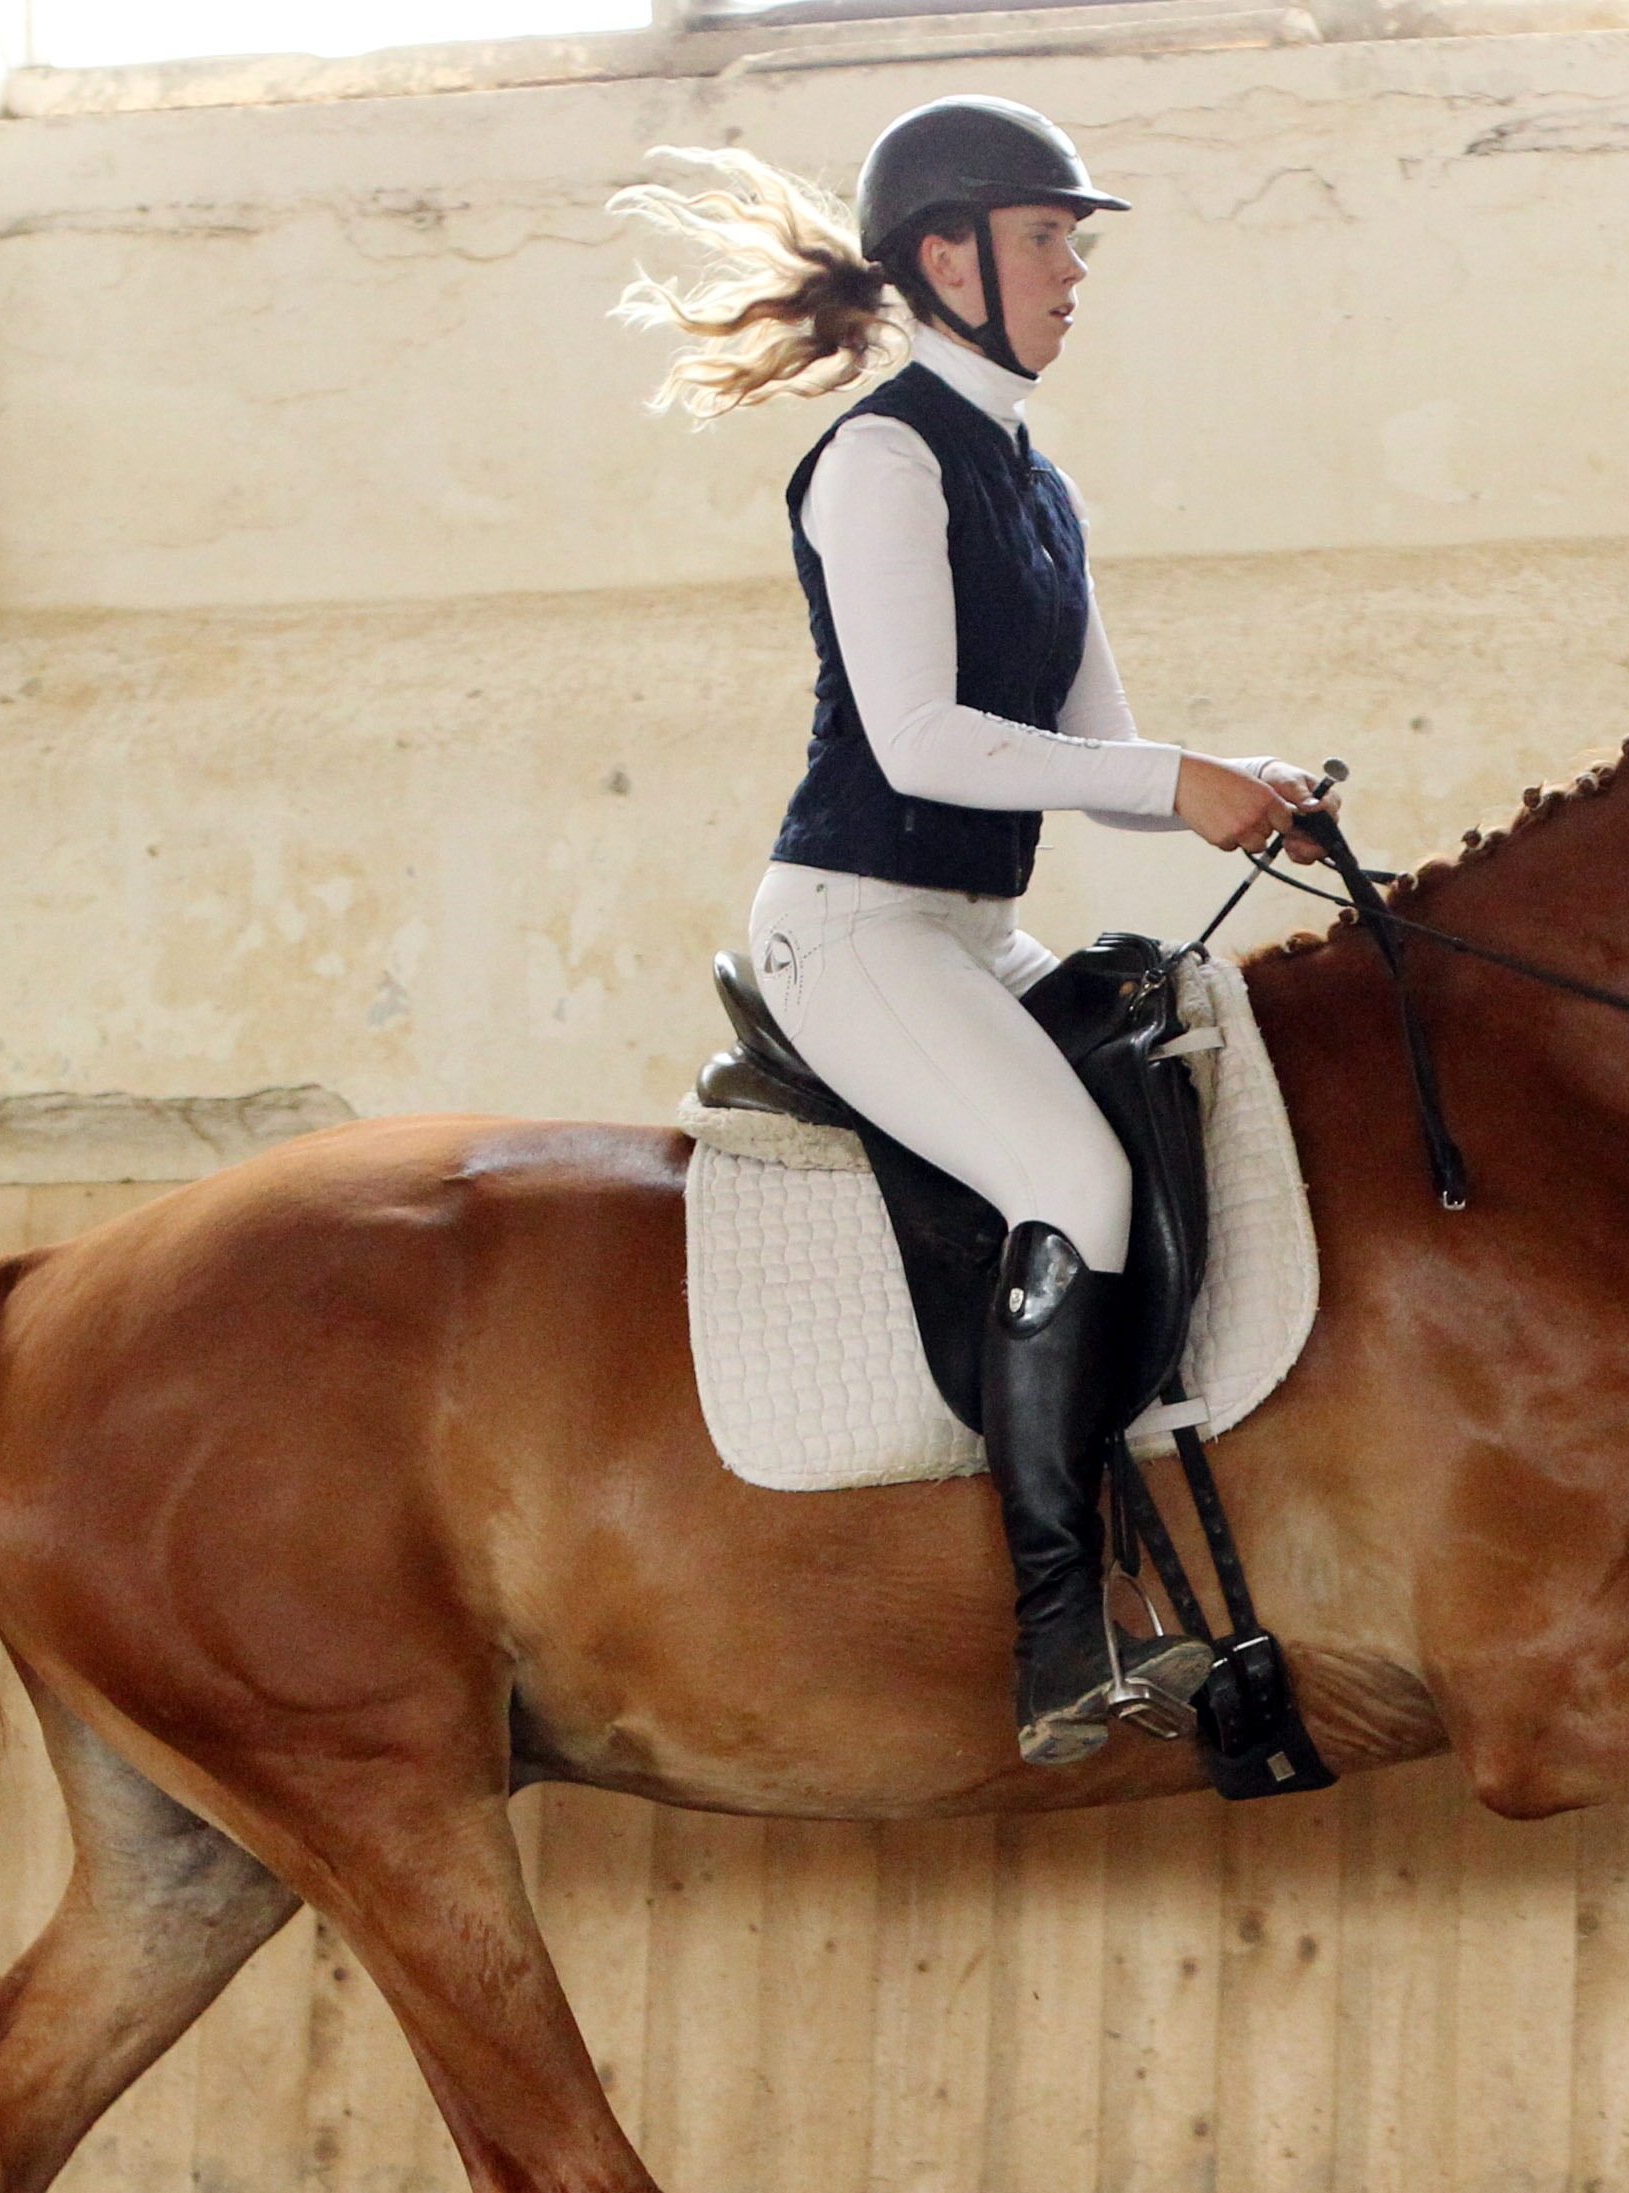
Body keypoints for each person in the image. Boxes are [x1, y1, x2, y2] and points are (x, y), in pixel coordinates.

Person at [614, 98, 1327, 1767]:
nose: (1077, 269)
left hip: (969, 929)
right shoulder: (879, 458)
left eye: (1076, 240)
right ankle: (1057, 1639)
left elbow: (1097, 754)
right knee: (1070, 1184)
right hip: (853, 929)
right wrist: (1178, 774)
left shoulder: (1037, 483)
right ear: (947, 258)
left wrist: (1245, 782)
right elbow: (924, 740)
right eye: (1046, 238)